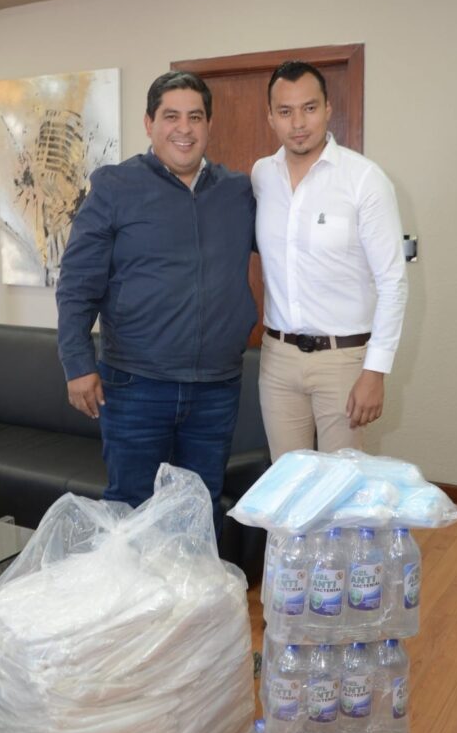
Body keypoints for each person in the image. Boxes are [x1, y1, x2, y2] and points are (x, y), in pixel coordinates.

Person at [56, 70, 257, 537]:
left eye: (195, 117)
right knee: (131, 515)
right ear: (149, 123)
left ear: (209, 125)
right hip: (135, 387)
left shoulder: (237, 192)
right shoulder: (115, 187)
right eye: (171, 116)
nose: (184, 128)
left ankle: (191, 591)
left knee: (197, 513)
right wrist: (76, 364)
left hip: (215, 388)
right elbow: (77, 283)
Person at [251, 60, 408, 461]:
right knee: (287, 485)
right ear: (271, 117)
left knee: (343, 488)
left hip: (344, 361)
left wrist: (375, 372)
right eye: (285, 111)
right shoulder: (262, 176)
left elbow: (393, 283)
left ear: (327, 109)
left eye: (309, 108)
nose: (298, 123)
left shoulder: (364, 179)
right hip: (278, 360)